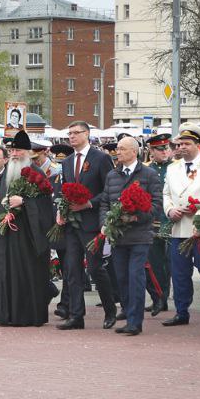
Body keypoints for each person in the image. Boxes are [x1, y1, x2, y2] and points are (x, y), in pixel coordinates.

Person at [0, 131, 56, 327]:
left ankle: (24, 314)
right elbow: (0, 196)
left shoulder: (36, 173)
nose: (14, 154)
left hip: (26, 238)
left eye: (18, 150)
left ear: (28, 152)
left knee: (23, 273)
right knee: (1, 271)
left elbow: (45, 206)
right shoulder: (7, 171)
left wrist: (24, 201)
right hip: (4, 234)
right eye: (12, 150)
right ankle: (3, 312)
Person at [97, 136, 162, 336]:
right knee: (122, 278)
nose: (118, 152)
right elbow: (105, 203)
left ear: (134, 152)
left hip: (140, 235)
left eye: (122, 149)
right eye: (117, 148)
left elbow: (157, 205)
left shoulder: (149, 174)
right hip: (118, 236)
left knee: (135, 277)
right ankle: (128, 313)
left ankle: (135, 321)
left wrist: (136, 217)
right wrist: (105, 223)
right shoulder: (112, 175)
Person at [55, 121, 117, 330]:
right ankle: (76, 315)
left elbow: (108, 192)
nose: (71, 136)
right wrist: (61, 211)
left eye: (76, 133)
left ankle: (110, 310)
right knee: (71, 269)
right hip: (72, 224)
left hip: (91, 223)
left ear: (87, 134)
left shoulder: (101, 159)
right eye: (69, 133)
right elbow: (65, 191)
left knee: (95, 268)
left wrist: (89, 203)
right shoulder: (67, 162)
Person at [160, 125, 200, 328]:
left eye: (187, 144)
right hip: (179, 227)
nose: (182, 147)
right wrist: (169, 210)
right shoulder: (172, 168)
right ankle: (181, 311)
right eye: (180, 144)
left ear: (197, 145)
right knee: (179, 273)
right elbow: (166, 193)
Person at [144, 133, 173, 316]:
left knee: (169, 264)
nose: (164, 152)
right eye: (159, 149)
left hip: (171, 221)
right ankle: (158, 298)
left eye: (166, 148)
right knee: (154, 263)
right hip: (153, 222)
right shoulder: (147, 169)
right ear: (151, 151)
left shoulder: (176, 168)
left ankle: (164, 297)